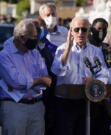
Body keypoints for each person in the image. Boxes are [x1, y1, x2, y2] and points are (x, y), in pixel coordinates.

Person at [51, 17, 109, 135]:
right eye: (77, 29)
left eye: (84, 29)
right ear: (71, 31)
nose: (80, 33)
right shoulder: (62, 49)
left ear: (89, 31)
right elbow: (57, 70)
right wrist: (68, 48)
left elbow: (104, 73)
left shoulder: (95, 51)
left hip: (86, 100)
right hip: (65, 102)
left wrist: (94, 81)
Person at [0, 19, 52, 135]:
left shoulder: (35, 53)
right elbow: (16, 82)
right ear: (22, 37)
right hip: (14, 107)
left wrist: (31, 82)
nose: (36, 39)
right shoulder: (4, 55)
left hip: (37, 105)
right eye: (33, 36)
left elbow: (46, 78)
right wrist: (39, 80)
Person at [39, 4, 68, 135]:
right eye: (48, 15)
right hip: (43, 81)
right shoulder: (38, 33)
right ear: (41, 17)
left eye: (53, 14)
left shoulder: (65, 32)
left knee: (59, 112)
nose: (51, 17)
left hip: (62, 78)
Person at [88, 18, 110, 135]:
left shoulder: (107, 48)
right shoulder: (86, 47)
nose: (102, 31)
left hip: (106, 97)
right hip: (89, 96)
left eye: (104, 29)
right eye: (99, 28)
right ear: (92, 29)